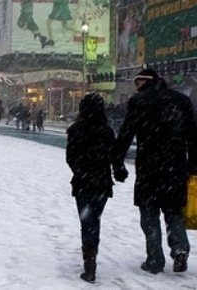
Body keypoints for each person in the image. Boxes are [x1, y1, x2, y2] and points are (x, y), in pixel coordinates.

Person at [114, 69, 197, 275]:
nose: (136, 86)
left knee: (149, 213)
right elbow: (193, 134)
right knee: (173, 211)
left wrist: (117, 163)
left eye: (139, 82)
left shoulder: (139, 101)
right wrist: (194, 164)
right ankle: (180, 250)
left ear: (147, 81)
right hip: (175, 166)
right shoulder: (181, 100)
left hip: (148, 167)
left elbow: (126, 133)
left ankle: (155, 259)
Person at [66, 93, 119, 283]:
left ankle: (89, 262)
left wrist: (81, 172)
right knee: (94, 220)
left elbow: (70, 157)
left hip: (83, 183)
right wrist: (118, 170)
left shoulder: (76, 130)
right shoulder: (107, 131)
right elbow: (114, 156)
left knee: (87, 222)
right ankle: (91, 254)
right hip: (102, 183)